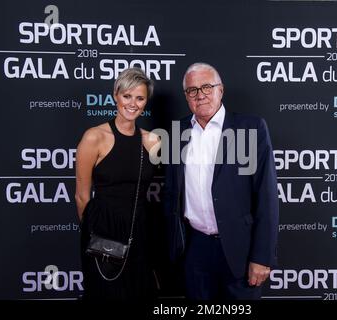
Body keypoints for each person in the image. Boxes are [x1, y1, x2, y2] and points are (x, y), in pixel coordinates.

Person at [163, 62, 279, 299]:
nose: (200, 95)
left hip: (240, 249)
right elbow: (171, 192)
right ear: (186, 96)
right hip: (194, 249)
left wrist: (262, 257)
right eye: (192, 90)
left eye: (207, 87)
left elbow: (266, 197)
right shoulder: (177, 131)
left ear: (220, 90)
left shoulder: (251, 128)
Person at [75, 67, 160, 300]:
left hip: (139, 229)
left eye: (140, 98)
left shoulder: (152, 141)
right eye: (127, 96)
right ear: (116, 95)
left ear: (146, 102)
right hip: (103, 232)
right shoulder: (94, 137)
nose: (133, 103)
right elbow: (82, 197)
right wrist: (94, 233)